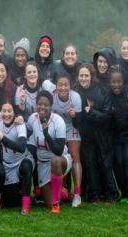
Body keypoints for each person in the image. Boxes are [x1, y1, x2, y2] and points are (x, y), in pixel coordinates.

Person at [75, 63, 117, 203]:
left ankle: (110, 193)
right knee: (90, 164)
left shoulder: (101, 91)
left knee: (104, 165)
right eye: (81, 75)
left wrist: (91, 112)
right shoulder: (75, 93)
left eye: (86, 75)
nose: (83, 78)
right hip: (86, 135)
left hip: (102, 135)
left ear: (91, 76)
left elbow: (107, 116)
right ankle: (94, 194)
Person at [26, 90, 72, 214]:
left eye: (45, 105)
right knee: (48, 203)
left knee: (55, 160)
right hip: (43, 162)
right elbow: (27, 132)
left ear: (50, 106)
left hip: (59, 159)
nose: (42, 107)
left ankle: (57, 203)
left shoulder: (58, 121)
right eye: (40, 104)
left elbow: (58, 150)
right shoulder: (32, 119)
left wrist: (47, 134)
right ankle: (61, 191)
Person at [0, 101, 33, 215]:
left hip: (22, 160)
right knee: (10, 202)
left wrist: (3, 139)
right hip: (8, 165)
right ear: (0, 112)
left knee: (26, 168)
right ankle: (13, 192)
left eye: (9, 111)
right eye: (4, 111)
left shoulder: (19, 124)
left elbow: (21, 147)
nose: (6, 114)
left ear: (14, 112)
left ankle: (26, 205)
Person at [108, 66, 128, 204]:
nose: (116, 85)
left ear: (123, 82)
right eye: (113, 82)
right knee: (119, 162)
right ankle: (125, 192)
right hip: (116, 135)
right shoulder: (107, 96)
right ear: (110, 83)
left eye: (118, 82)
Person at [51, 73, 83, 207]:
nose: (63, 88)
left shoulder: (75, 97)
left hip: (71, 127)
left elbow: (80, 122)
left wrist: (74, 116)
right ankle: (61, 190)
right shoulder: (52, 97)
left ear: (70, 86)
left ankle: (77, 193)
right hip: (58, 128)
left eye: (66, 85)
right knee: (57, 156)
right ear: (56, 86)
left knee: (75, 155)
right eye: (60, 85)